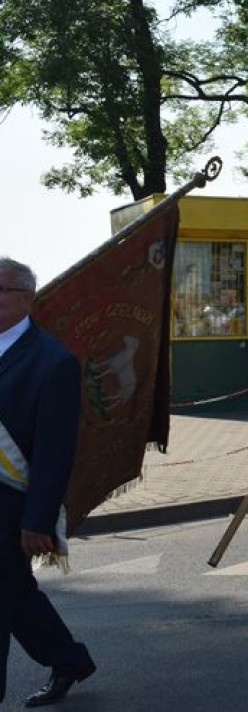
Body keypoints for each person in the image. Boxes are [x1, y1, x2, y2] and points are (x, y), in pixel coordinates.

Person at [0, 257, 96, 708]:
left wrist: (37, 520)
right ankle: (69, 659)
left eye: (0, 291)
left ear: (26, 297)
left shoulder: (53, 361)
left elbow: (55, 451)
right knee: (15, 595)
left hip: (12, 507)